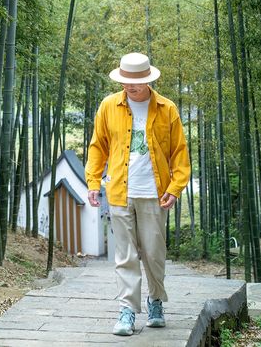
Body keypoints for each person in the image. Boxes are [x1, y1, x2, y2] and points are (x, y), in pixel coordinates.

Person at [85, 52, 191, 337]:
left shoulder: (167, 109)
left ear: (148, 80)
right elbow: (98, 147)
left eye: (135, 83)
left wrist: (175, 187)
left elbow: (179, 152)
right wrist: (93, 182)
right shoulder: (109, 106)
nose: (129, 87)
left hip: (155, 193)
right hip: (119, 191)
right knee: (126, 255)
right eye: (125, 82)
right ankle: (128, 310)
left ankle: (156, 301)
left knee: (154, 253)